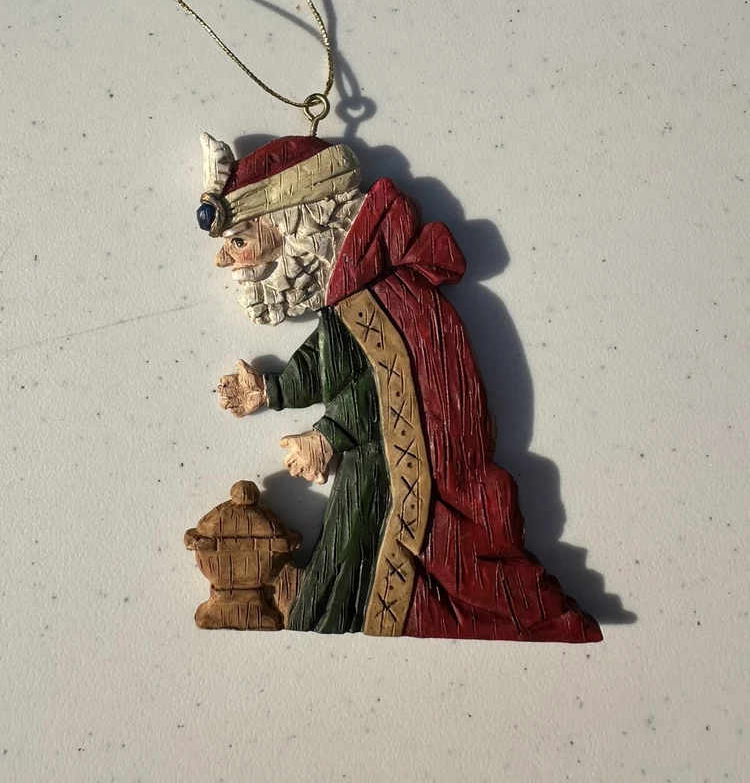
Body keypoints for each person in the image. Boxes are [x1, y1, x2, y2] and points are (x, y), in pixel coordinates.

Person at [197, 132, 602, 642]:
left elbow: (395, 379)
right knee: (351, 533)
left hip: (408, 463)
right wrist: (271, 389)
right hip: (378, 452)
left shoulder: (385, 287)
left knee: (370, 540)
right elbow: (333, 359)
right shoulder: (353, 284)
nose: (226, 260)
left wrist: (328, 436)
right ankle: (319, 604)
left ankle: (326, 607)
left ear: (292, 225)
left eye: (239, 241)